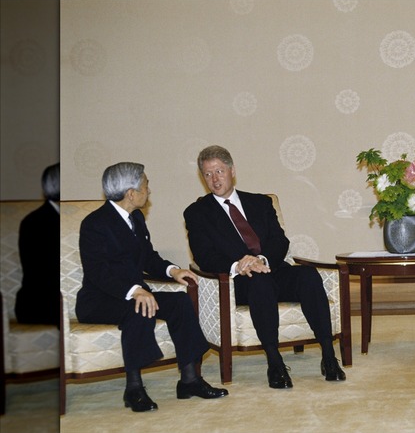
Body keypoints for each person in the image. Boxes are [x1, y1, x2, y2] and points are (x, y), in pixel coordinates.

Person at [183, 145, 345, 389]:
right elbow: (204, 256)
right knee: (260, 283)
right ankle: (275, 361)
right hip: (239, 281)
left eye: (219, 171)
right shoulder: (197, 213)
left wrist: (263, 260)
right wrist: (239, 264)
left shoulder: (260, 202)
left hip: (273, 269)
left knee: (308, 276)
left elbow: (280, 241)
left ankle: (329, 356)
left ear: (232, 170)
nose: (215, 179)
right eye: (208, 174)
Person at [76, 162, 228, 412]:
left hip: (134, 294)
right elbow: (98, 272)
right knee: (139, 307)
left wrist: (173, 270)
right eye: (146, 184)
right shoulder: (95, 223)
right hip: (99, 300)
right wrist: (134, 291)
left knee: (179, 302)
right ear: (131, 193)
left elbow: (148, 257)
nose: (149, 189)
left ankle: (190, 380)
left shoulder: (135, 218)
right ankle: (133, 388)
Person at [15, 162, 60, 326]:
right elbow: (39, 272)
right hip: (38, 303)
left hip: (55, 299)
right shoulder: (34, 222)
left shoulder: (67, 218)